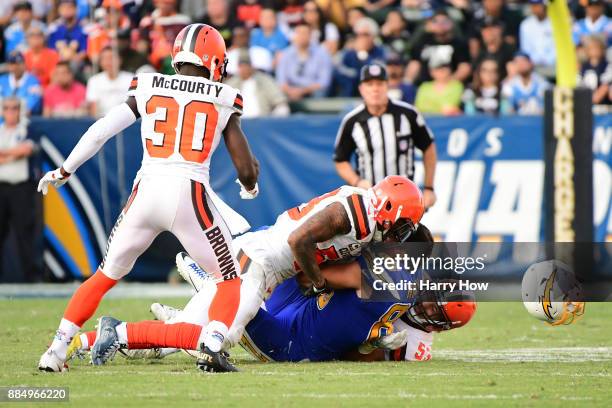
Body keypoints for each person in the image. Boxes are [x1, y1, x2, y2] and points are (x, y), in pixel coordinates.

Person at [37, 24, 260, 374]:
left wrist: (64, 171)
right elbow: (245, 167)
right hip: (189, 194)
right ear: (213, 60)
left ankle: (55, 350)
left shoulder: (148, 84)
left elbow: (100, 132)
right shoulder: (223, 96)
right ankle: (214, 345)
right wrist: (249, 186)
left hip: (146, 191)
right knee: (229, 280)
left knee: (105, 275)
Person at [85, 176, 425, 368]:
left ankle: (117, 333)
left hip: (272, 268)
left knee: (197, 328)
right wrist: (320, 284)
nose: (400, 236)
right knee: (222, 335)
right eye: (402, 226)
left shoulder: (365, 222)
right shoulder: (353, 215)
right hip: (260, 261)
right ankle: (207, 306)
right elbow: (298, 239)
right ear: (389, 210)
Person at [68, 224, 477, 364]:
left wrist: (372, 345)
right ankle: (209, 287)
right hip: (302, 305)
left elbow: (354, 341)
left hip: (288, 338)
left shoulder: (405, 310)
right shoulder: (398, 282)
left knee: (217, 324)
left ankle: (131, 332)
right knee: (267, 265)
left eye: (431, 306)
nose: (425, 302)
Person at [334, 64, 437, 209]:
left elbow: (429, 148)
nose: (375, 89)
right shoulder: (352, 121)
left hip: (405, 198)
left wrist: (429, 188)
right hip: (370, 199)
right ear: (361, 89)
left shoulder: (408, 114)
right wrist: (357, 181)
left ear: (387, 86)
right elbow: (340, 160)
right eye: (369, 84)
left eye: (379, 84)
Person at [0, 96, 41, 283]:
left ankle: (31, 278)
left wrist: (6, 154)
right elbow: (19, 151)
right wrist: (14, 154)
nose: (11, 112)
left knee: (25, 233)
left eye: (14, 108)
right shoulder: (1, 130)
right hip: (2, 187)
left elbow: (26, 150)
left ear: (20, 110)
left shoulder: (27, 129)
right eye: (7, 108)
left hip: (21, 188)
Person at [406, 10, 470, 85]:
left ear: (451, 24)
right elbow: (415, 64)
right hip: (425, 86)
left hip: (450, 86)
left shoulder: (459, 44)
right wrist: (407, 83)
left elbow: (464, 67)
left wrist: (448, 84)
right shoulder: (422, 42)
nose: (440, 24)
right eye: (435, 21)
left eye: (444, 21)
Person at [276, 22, 333, 100]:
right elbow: (281, 81)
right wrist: (291, 91)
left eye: (305, 33)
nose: (302, 36)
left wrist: (303, 91)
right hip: (291, 91)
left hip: (312, 90)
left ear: (310, 36)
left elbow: (324, 82)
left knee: (320, 92)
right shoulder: (286, 54)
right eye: (299, 33)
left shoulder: (322, 54)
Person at [225, 50, 290, 117]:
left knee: (283, 109)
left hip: (262, 121)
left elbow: (280, 101)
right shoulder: (232, 83)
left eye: (246, 65)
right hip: (238, 122)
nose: (244, 68)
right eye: (241, 66)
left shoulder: (264, 80)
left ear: (251, 66)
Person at [335, 17, 387, 96]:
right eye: (358, 35)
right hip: (350, 94)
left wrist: (364, 56)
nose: (361, 38)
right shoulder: (349, 53)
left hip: (374, 93)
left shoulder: (382, 51)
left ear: (374, 36)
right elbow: (340, 70)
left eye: (365, 35)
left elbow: (377, 71)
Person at [86, 47, 133, 118]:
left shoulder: (131, 78)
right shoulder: (94, 81)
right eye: (105, 58)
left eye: (111, 58)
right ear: (100, 62)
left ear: (120, 60)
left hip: (127, 121)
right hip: (102, 121)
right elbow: (93, 108)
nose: (108, 62)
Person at [414, 48, 464, 116]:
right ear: (431, 71)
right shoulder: (424, 86)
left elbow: (450, 107)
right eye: (437, 68)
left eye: (445, 67)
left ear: (450, 69)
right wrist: (442, 109)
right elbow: (419, 107)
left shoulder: (457, 85)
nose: (441, 70)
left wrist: (430, 104)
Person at [519, 0, 556, 78]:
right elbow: (525, 49)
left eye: (538, 5)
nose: (535, 8)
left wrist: (547, 60)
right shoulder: (525, 25)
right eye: (533, 5)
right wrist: (535, 61)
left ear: (544, 5)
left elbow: (558, 47)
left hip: (554, 64)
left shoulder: (554, 22)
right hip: (533, 65)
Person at [47, 0, 88, 65]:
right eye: (63, 7)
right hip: (59, 63)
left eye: (69, 7)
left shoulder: (84, 28)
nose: (66, 10)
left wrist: (72, 58)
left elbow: (85, 51)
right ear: (59, 10)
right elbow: (51, 51)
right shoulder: (54, 28)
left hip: (78, 63)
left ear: (76, 9)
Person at [578, 35, 611, 105]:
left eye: (597, 48)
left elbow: (605, 85)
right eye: (591, 48)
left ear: (602, 49)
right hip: (586, 100)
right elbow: (579, 83)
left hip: (603, 103)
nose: (594, 51)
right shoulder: (583, 66)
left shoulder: (607, 65)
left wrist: (595, 98)